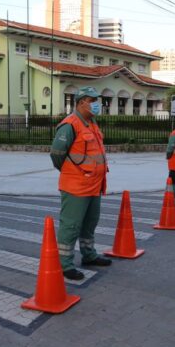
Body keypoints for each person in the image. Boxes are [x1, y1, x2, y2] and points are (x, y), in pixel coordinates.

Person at [50, 86, 112, 280]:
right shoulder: (70, 124)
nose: (97, 104)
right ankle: (65, 264)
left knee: (89, 224)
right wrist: (71, 171)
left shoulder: (91, 123)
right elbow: (56, 154)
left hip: (94, 185)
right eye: (93, 101)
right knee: (71, 225)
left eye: (97, 100)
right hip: (76, 186)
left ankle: (89, 255)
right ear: (81, 102)